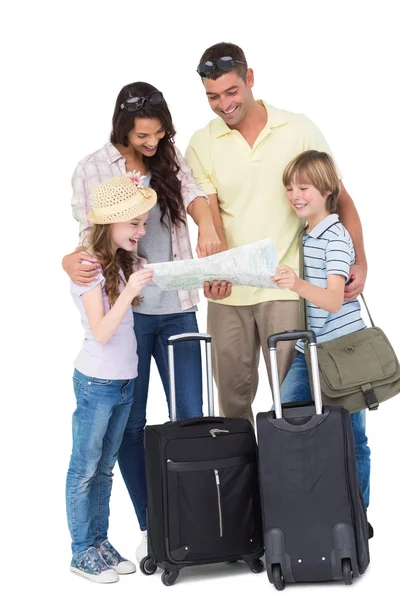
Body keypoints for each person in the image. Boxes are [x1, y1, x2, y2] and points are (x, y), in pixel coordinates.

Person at [62, 81, 231, 562]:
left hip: (177, 307)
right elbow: (88, 236)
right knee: (131, 429)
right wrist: (64, 261)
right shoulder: (92, 168)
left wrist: (210, 229)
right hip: (128, 316)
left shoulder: (170, 160)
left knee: (191, 418)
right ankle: (152, 525)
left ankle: (198, 524)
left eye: (159, 133)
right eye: (142, 135)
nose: (152, 142)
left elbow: (196, 194)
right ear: (122, 127)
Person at [186, 42, 367, 423]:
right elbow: (211, 216)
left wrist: (360, 261)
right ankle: (241, 485)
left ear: (250, 79)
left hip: (285, 289)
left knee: (293, 405)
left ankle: (287, 482)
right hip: (229, 295)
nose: (224, 104)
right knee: (233, 407)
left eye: (232, 92)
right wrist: (214, 270)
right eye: (213, 97)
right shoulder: (202, 142)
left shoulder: (298, 128)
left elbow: (341, 199)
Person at [66, 174, 156, 583]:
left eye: (144, 222)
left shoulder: (122, 262)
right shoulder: (88, 266)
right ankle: (81, 549)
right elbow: (101, 332)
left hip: (125, 381)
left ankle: (99, 542)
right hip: (97, 383)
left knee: (105, 469)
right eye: (134, 223)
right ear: (111, 224)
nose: (142, 230)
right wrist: (129, 290)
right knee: (85, 469)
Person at [271, 150, 371, 509]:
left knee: (352, 435)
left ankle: (359, 514)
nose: (295, 195)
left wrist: (295, 284)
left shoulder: (335, 238)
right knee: (279, 414)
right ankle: (312, 506)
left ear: (328, 189)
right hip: (309, 350)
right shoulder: (307, 234)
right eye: (290, 188)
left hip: (344, 352)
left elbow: (332, 300)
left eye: (304, 188)